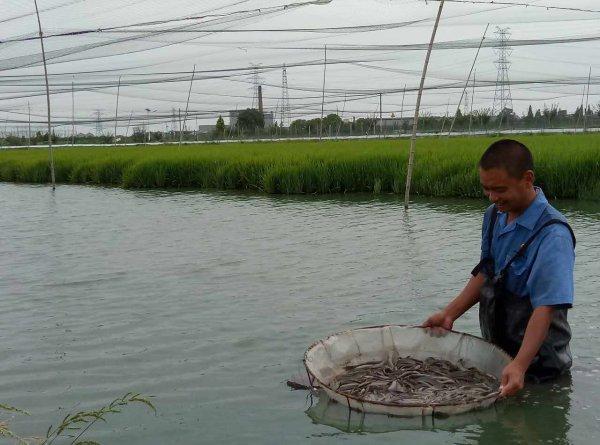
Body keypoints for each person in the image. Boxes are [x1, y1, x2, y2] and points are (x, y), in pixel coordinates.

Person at [422, 139, 576, 397]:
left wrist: (520, 365)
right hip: (500, 356)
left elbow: (546, 307)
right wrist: (449, 314)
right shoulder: (494, 215)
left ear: (527, 179)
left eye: (500, 189)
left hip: (540, 368)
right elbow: (487, 272)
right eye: (486, 189)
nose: (493, 198)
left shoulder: (553, 235)